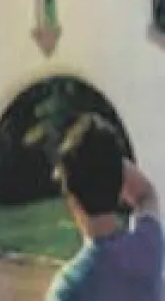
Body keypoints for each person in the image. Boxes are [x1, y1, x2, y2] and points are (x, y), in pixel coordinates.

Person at [46, 113, 162, 299]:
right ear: (119, 187)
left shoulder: (69, 286)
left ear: (73, 202)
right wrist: (110, 163)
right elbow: (145, 193)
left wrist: (105, 164)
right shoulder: (147, 247)